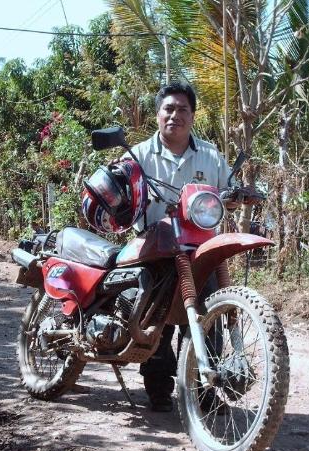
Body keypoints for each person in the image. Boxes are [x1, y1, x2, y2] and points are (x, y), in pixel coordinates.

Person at [124, 82, 232, 412]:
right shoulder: (138, 155)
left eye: (182, 109)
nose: (175, 115)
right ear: (157, 115)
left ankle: (204, 389)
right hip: (154, 248)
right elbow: (120, 188)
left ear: (192, 116)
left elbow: (228, 189)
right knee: (155, 319)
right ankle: (158, 388)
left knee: (207, 317)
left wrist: (239, 194)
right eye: (168, 109)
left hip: (199, 250)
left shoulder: (211, 156)